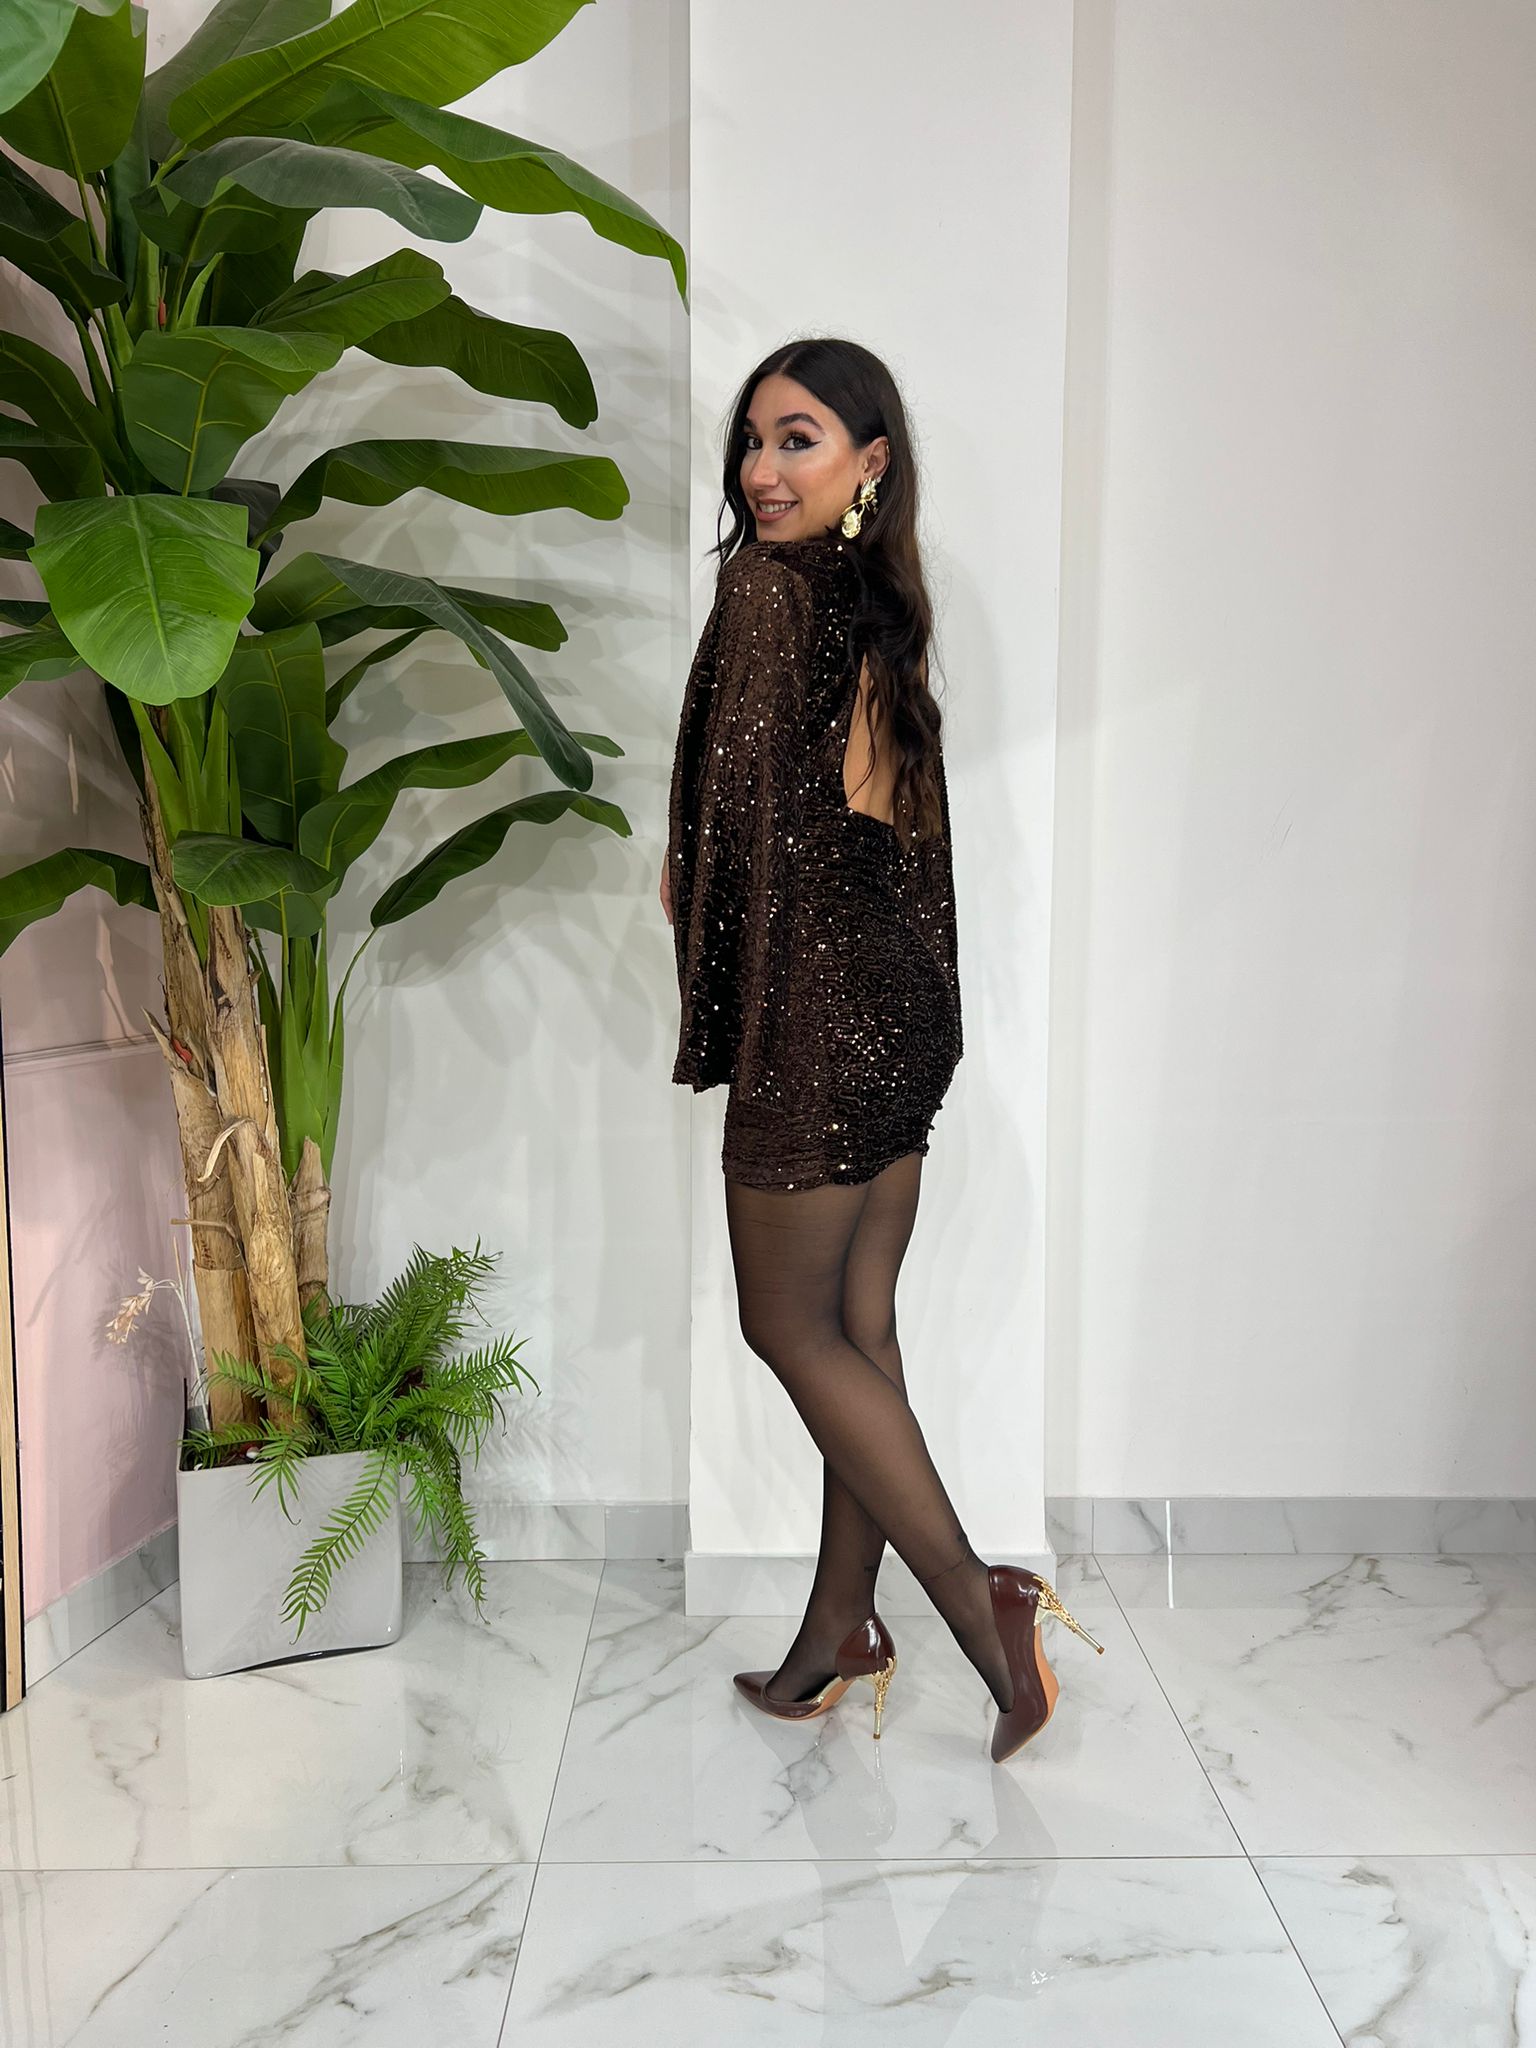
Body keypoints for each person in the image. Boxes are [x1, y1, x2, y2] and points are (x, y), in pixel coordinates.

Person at [661, 339, 1103, 1762]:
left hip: (816, 1010)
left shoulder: (766, 591)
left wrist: (709, 939)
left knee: (785, 1327)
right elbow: (891, 836)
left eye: (797, 439)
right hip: (898, 1010)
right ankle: (836, 1632)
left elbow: (747, 839)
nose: (762, 470)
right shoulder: (877, 602)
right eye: (752, 441)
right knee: (857, 1328)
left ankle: (980, 1604)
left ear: (870, 461)